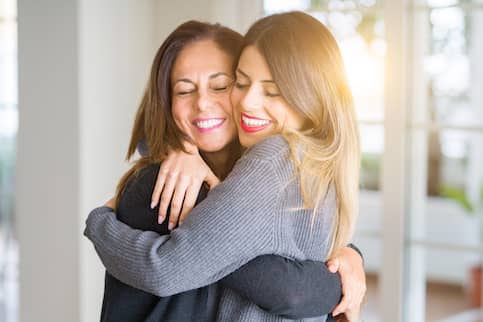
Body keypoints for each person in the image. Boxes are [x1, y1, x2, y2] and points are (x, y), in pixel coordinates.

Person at [85, 12, 363, 322]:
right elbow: (287, 290)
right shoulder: (162, 187)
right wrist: (99, 223)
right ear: (165, 102)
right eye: (184, 90)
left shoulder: (272, 171)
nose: (203, 102)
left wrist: (349, 254)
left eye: (221, 86)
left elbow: (284, 254)